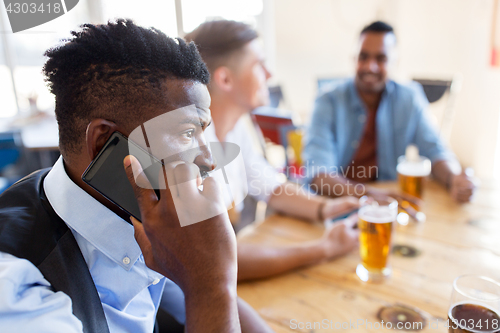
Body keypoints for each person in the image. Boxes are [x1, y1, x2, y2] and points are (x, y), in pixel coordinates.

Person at [0, 20, 272, 333]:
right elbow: (209, 297)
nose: (209, 159)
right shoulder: (18, 293)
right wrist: (209, 287)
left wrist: (212, 281)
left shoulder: (131, 210)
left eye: (203, 133)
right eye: (186, 132)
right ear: (104, 143)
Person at [185, 20, 359, 282]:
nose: (269, 74)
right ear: (225, 79)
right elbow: (218, 261)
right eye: (259, 65)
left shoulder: (235, 130)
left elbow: (270, 186)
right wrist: (324, 248)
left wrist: (326, 208)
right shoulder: (189, 151)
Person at [303, 21, 476, 204]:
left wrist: (454, 178)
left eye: (381, 58)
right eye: (363, 57)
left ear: (395, 62)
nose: (371, 66)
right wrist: (368, 195)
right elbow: (318, 174)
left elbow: (436, 150)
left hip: (387, 207)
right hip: (333, 206)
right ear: (354, 59)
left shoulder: (409, 98)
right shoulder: (327, 100)